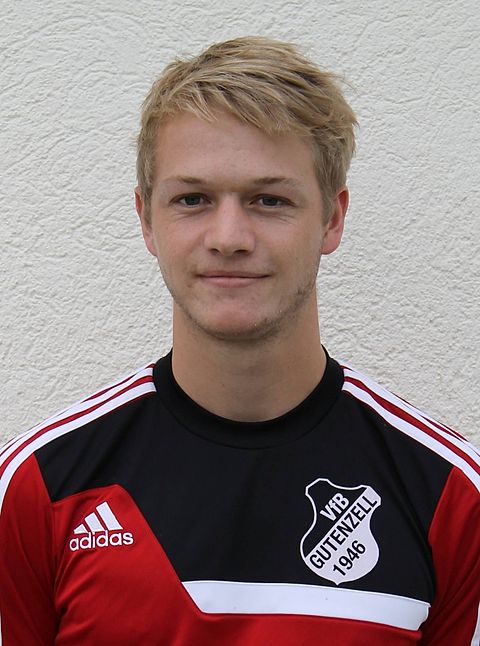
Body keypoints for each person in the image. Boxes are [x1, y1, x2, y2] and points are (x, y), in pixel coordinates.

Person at [0, 36, 479, 646]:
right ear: (146, 219)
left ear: (332, 219)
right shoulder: (39, 485)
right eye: (192, 199)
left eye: (269, 200)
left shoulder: (451, 496)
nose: (228, 237)